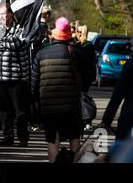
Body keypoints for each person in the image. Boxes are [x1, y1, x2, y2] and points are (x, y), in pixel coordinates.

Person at [31, 17, 89, 162]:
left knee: (52, 140)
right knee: (74, 136)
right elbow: (89, 76)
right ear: (68, 35)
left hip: (48, 106)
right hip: (72, 105)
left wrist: (35, 102)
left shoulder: (41, 54)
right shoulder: (77, 52)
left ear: (54, 34)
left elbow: (34, 82)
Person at [0, 3, 31, 147]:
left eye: (4, 14)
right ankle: (8, 137)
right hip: (1, 77)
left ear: (11, 14)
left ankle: (23, 138)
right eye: (0, 15)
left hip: (17, 78)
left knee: (20, 110)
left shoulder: (20, 29)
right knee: (4, 110)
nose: (2, 18)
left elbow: (16, 43)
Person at [75, 24, 97, 130]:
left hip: (82, 76)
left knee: (82, 98)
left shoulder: (83, 46)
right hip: (86, 76)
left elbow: (89, 63)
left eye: (78, 32)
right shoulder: (89, 46)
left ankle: (86, 120)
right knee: (82, 97)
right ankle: (84, 120)